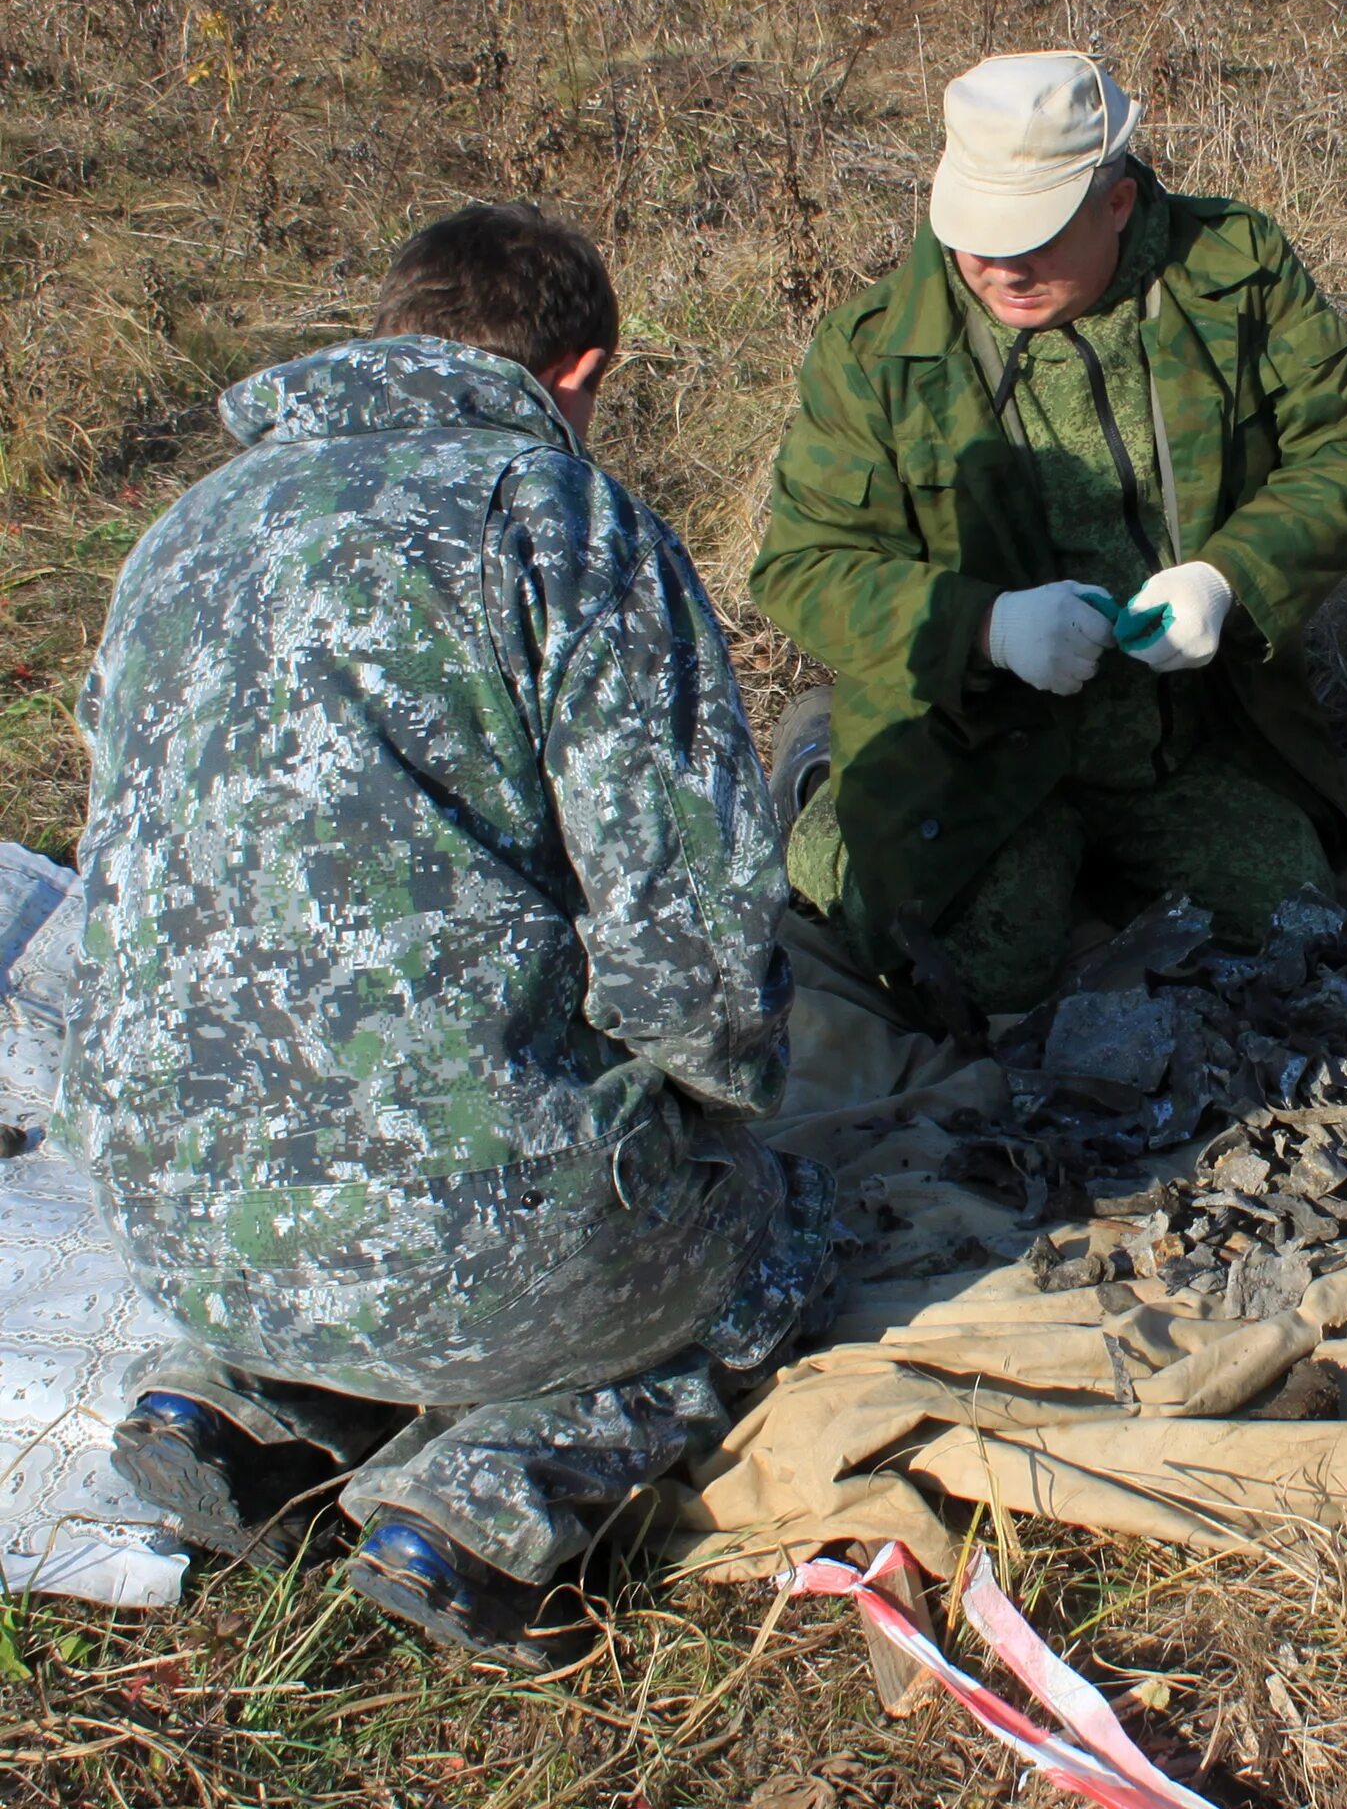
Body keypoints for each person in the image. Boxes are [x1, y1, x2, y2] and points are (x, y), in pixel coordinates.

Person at [61, 204, 833, 1666]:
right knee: (774, 1234)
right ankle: (476, 1505)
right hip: (484, 1236)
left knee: (378, 1236)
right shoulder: (563, 524)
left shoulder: (184, 528)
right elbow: (697, 937)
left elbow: (115, 867)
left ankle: (234, 1405)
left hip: (171, 1218)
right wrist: (717, 1123)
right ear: (580, 372)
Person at [753, 52, 1347, 1022]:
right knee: (970, 979)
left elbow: (1344, 451)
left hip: (1187, 738)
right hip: (977, 741)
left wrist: (1230, 578)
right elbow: (806, 565)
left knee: (1292, 935)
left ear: (1119, 203)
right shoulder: (879, 350)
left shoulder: (1233, 275)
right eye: (978, 235)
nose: (1002, 267)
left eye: (1036, 237)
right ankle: (824, 792)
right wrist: (987, 627)